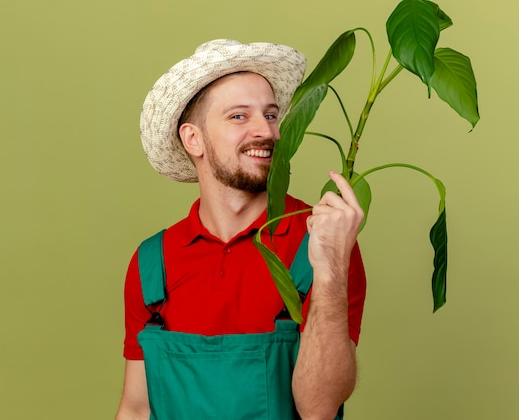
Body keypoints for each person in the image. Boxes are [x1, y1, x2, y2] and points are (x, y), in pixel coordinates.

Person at [115, 39, 367, 420]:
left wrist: (330, 269)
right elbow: (136, 408)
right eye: (239, 116)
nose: (265, 132)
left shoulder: (321, 240)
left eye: (269, 115)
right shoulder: (153, 262)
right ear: (193, 139)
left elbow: (319, 408)